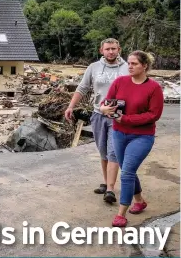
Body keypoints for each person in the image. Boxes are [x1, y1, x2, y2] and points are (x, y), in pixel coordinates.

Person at [100, 51, 164, 227]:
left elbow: (154, 114)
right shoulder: (120, 82)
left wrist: (126, 119)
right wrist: (104, 109)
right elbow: (106, 102)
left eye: (134, 63)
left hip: (142, 136)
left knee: (127, 172)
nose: (130, 66)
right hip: (119, 133)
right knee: (128, 169)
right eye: (129, 63)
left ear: (144, 66)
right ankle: (140, 201)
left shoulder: (153, 88)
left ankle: (121, 214)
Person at [64, 38, 129, 203]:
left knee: (114, 151)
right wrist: (71, 106)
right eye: (107, 49)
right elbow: (82, 88)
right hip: (98, 114)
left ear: (119, 49)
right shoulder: (94, 67)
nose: (111, 52)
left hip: (118, 115)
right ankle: (106, 182)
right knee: (103, 151)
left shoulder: (127, 68)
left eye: (114, 48)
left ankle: (110, 189)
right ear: (102, 51)